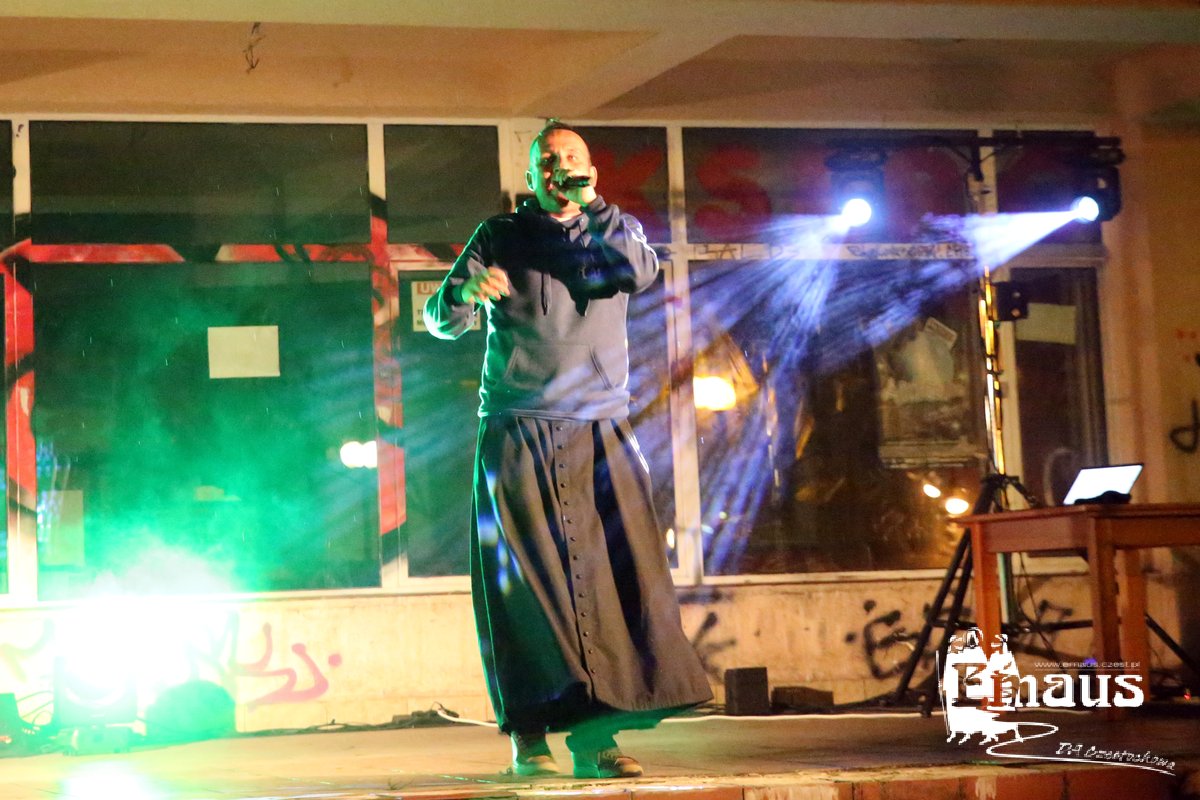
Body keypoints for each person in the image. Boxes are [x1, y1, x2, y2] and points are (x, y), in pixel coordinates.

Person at [423, 120, 712, 779]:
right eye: (548, 160)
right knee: (524, 590)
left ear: (590, 172)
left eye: (572, 158)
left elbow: (641, 273)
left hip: (597, 426)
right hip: (518, 424)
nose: (560, 167)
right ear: (532, 177)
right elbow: (441, 319)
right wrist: (463, 293)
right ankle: (529, 737)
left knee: (607, 586)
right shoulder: (499, 235)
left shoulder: (614, 229)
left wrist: (594, 211)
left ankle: (596, 739)